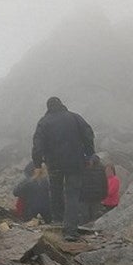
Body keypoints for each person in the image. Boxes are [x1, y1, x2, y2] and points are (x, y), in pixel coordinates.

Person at [31, 97, 95, 241]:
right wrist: (90, 154)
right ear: (62, 105)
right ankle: (70, 231)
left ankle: (57, 222)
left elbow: (37, 145)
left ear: (48, 107)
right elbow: (88, 134)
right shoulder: (75, 117)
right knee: (72, 195)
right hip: (75, 163)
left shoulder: (44, 122)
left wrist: (37, 164)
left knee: (55, 191)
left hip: (54, 164)